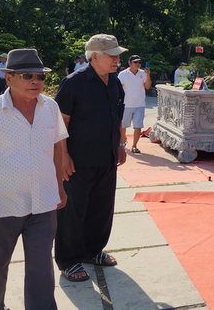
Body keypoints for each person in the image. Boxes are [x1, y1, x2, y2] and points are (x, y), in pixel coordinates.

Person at [0, 49, 68, 310]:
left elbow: (56, 147)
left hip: (43, 203)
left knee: (42, 267)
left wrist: (60, 187)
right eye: (27, 75)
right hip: (1, 205)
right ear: (8, 78)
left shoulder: (50, 107)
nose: (35, 81)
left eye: (40, 77)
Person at [54, 33, 127, 283]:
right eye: (112, 55)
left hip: (106, 157)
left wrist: (120, 144)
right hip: (78, 159)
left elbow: (116, 116)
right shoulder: (73, 83)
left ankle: (93, 251)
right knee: (73, 210)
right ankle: (69, 260)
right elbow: (60, 123)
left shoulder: (115, 82)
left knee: (102, 208)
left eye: (118, 55)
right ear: (95, 56)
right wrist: (62, 157)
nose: (117, 59)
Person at [117, 54, 151, 154]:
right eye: (135, 62)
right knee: (123, 126)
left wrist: (148, 75)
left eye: (139, 62)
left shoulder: (143, 73)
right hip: (126, 104)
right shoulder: (123, 74)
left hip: (139, 104)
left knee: (138, 126)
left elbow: (148, 86)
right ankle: (123, 142)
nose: (138, 64)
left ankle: (134, 146)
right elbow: (119, 88)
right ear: (129, 63)